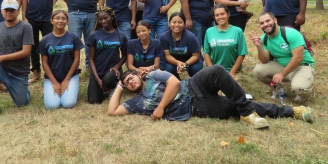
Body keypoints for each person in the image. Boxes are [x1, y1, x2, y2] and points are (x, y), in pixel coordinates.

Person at [107, 65, 313, 129]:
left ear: (138, 75)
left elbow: (175, 82)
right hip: (194, 106)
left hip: (192, 84)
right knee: (233, 107)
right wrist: (118, 85)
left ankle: (247, 112)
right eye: (127, 84)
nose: (130, 82)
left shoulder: (153, 75)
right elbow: (112, 111)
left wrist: (160, 107)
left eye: (131, 77)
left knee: (215, 70)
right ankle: (293, 112)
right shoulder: (136, 103)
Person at [250, 12, 315, 102]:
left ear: (275, 20)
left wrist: (282, 74)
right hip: (282, 65)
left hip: (302, 66)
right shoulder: (264, 38)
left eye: (268, 21)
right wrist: (259, 47)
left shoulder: (291, 33)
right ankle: (279, 88)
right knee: (258, 71)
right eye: (262, 23)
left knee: (300, 88)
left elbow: (298, 58)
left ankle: (304, 88)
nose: (265, 24)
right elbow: (264, 61)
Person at [19, 0, 61, 84]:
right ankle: (36, 72)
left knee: (50, 45)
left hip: (48, 19)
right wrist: (24, 16)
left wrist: (52, 3)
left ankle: (52, 71)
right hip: (31, 18)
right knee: (33, 46)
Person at [38, 10, 83, 109]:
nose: (60, 21)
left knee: (68, 104)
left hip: (70, 76)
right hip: (52, 77)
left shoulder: (74, 37)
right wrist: (54, 82)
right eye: (57, 18)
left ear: (67, 21)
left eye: (63, 18)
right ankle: (50, 89)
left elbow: (76, 60)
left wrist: (66, 80)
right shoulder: (45, 40)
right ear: (52, 21)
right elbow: (44, 63)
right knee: (52, 106)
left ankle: (69, 89)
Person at [86, 6, 128, 104]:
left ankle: (113, 86)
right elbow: (91, 59)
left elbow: (125, 55)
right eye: (100, 19)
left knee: (108, 79)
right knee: (94, 101)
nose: (103, 21)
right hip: (98, 71)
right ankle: (102, 87)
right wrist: (97, 79)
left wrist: (117, 67)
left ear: (112, 17)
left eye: (106, 18)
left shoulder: (121, 35)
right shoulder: (94, 35)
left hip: (112, 72)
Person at [203, 5, 247, 79]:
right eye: (217, 15)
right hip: (215, 70)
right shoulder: (209, 31)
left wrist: (232, 72)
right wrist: (211, 70)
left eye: (222, 14)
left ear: (228, 14)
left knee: (232, 89)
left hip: (233, 71)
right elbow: (206, 52)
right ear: (214, 17)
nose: (220, 17)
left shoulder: (238, 31)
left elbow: (242, 54)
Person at [159, 12, 203, 79]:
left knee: (195, 68)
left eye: (180, 22)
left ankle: (195, 82)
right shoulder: (164, 37)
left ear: (184, 24)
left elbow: (196, 55)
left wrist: (185, 65)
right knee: (168, 68)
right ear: (169, 23)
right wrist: (177, 63)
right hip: (174, 60)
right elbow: (167, 55)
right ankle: (176, 81)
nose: (177, 25)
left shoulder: (191, 37)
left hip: (190, 59)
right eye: (174, 22)